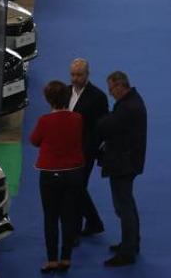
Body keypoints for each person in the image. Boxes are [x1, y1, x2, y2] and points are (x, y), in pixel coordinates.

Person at [30, 81, 84, 274]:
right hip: (74, 172)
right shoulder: (77, 118)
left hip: (50, 174)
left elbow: (34, 141)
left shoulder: (44, 121)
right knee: (68, 216)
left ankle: (52, 260)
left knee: (50, 217)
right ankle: (66, 258)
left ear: (48, 100)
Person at [98, 71, 147, 267]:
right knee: (128, 205)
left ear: (120, 85)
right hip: (130, 162)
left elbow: (106, 126)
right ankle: (132, 243)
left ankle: (127, 253)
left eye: (111, 89)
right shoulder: (133, 100)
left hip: (123, 164)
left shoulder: (127, 108)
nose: (110, 94)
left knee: (123, 208)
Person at [67, 59, 108, 237]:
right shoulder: (65, 92)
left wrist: (89, 150)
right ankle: (94, 222)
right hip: (67, 149)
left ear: (87, 75)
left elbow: (102, 127)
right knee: (77, 188)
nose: (75, 78)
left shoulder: (98, 97)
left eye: (79, 75)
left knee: (76, 190)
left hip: (85, 152)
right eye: (73, 74)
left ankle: (74, 233)